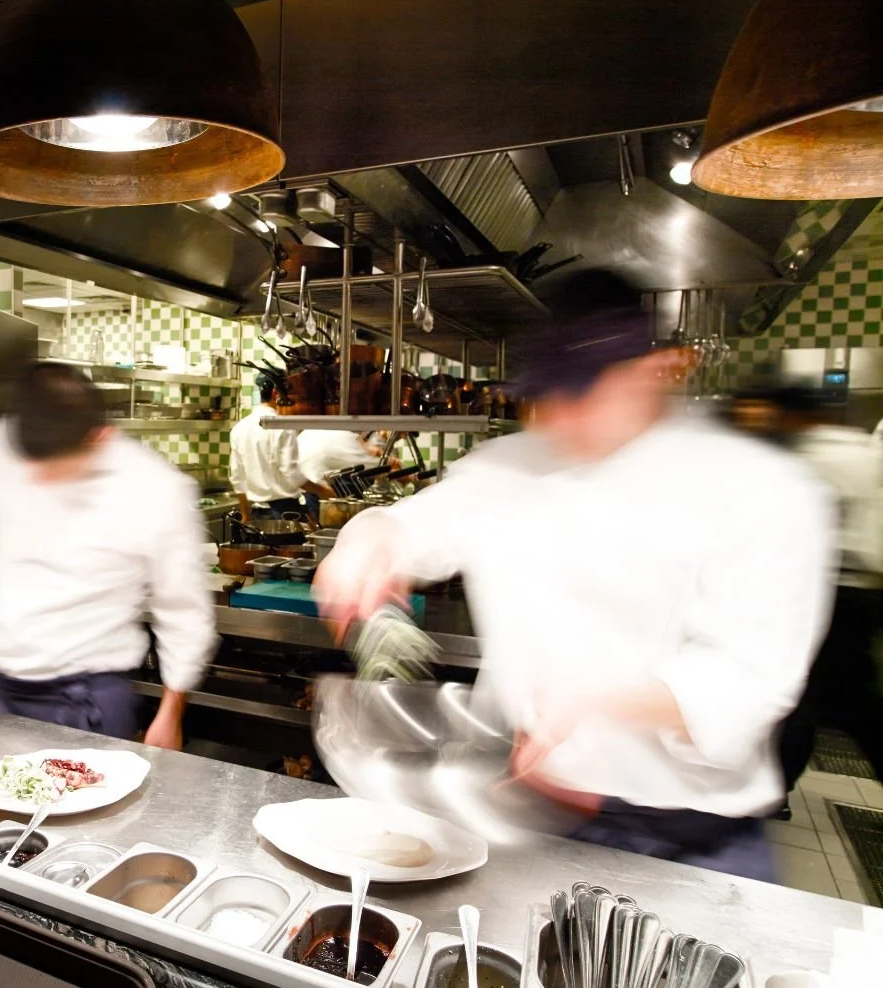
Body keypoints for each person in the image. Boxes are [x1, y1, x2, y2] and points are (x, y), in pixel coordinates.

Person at [314, 270, 834, 881]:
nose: (560, 417)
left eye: (583, 393)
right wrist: (370, 536)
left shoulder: (763, 490)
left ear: (654, 371)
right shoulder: (509, 466)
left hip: (692, 838)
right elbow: (420, 525)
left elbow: (748, 681)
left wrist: (594, 699)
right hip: (529, 811)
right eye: (547, 396)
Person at [0, 363, 216, 750]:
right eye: (30, 466)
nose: (39, 479)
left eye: (56, 470)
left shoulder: (156, 488)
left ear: (99, 438)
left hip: (88, 700)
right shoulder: (2, 443)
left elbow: (185, 612)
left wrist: (170, 715)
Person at [763, 386, 883, 790]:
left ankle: (777, 787)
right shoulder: (864, 450)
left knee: (811, 693)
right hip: (862, 588)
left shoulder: (807, 460)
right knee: (838, 694)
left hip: (829, 588)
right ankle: (779, 785)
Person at [229, 374, 310, 523]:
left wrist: (245, 515)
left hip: (258, 513)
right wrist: (323, 491)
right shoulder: (282, 426)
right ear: (275, 393)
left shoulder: (240, 428)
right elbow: (291, 473)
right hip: (286, 513)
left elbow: (237, 477)